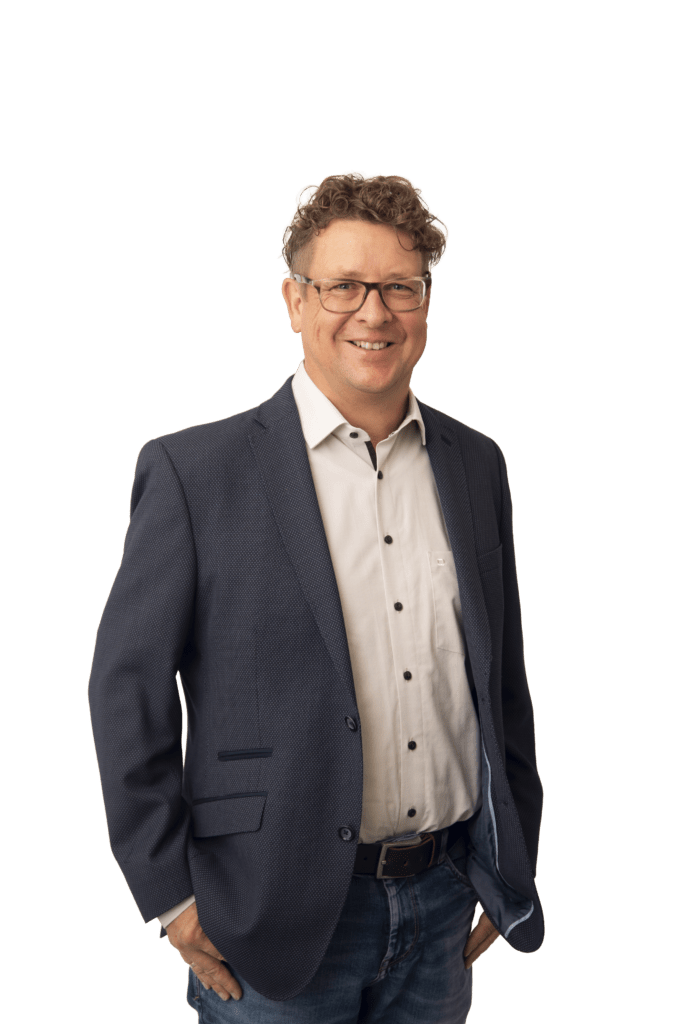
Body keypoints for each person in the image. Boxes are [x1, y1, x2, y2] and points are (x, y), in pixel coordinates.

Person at [88, 171, 544, 1023]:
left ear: (426, 302)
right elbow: (125, 690)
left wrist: (509, 863)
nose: (374, 312)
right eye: (344, 286)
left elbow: (502, 682)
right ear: (295, 300)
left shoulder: (477, 464)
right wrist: (169, 895)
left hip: (445, 897)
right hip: (270, 915)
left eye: (400, 286)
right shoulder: (196, 473)